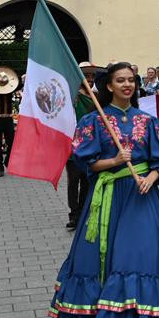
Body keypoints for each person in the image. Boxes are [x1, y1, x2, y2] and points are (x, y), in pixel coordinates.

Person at [49, 62, 159, 318]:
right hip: (107, 195)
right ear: (109, 86)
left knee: (140, 254)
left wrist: (151, 177)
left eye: (131, 80)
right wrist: (115, 162)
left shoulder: (148, 120)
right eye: (120, 80)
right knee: (97, 256)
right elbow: (87, 163)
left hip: (142, 195)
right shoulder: (93, 120)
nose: (127, 85)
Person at [65, 76, 94, 230]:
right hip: (72, 148)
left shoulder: (96, 98)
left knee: (86, 183)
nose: (90, 79)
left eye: (92, 77)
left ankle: (83, 213)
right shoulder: (73, 96)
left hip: (89, 148)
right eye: (86, 76)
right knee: (73, 182)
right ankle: (74, 214)